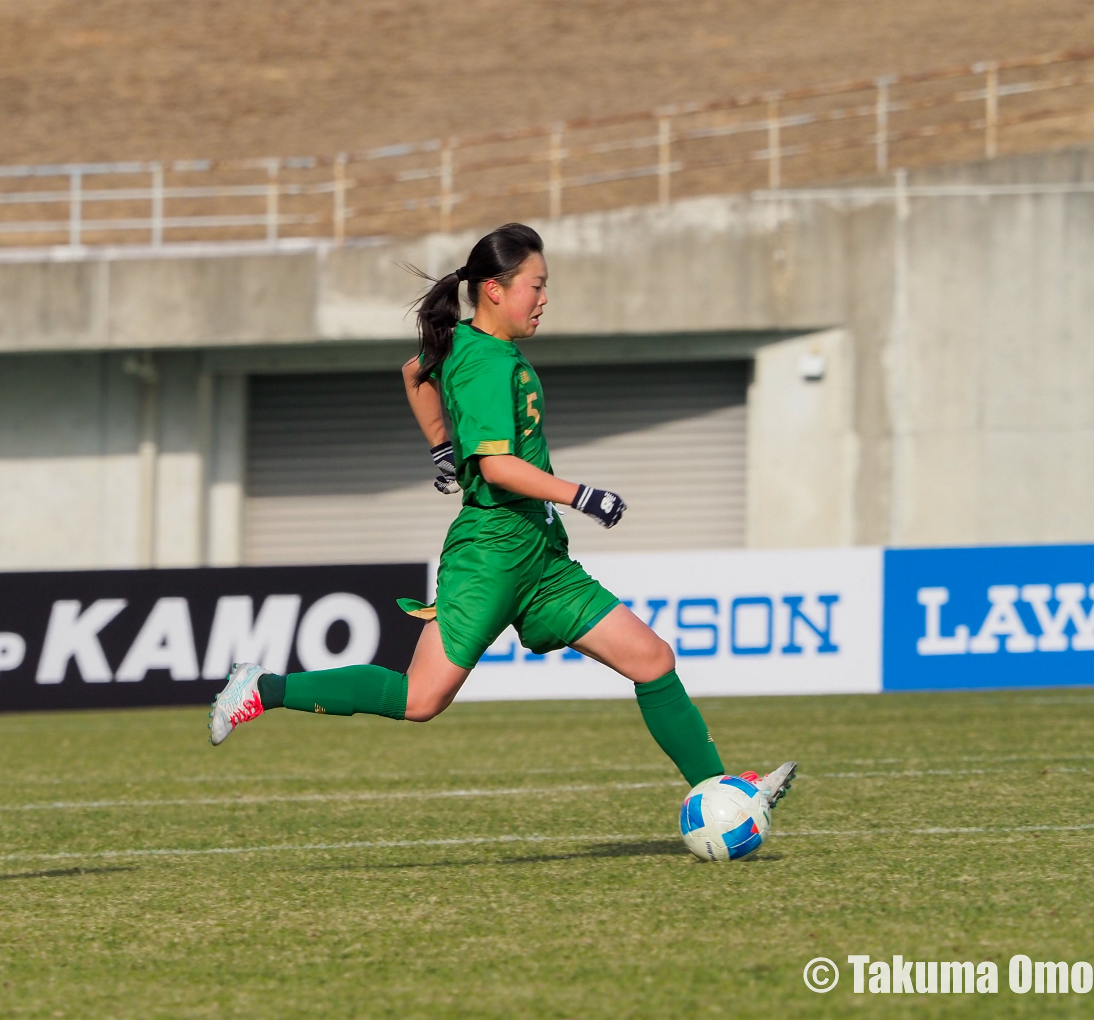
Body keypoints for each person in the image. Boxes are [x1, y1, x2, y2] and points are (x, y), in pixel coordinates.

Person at [208, 224, 794, 806]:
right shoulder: (486, 362)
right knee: (420, 699)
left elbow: (415, 372)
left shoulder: (465, 343)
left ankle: (724, 795)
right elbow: (496, 467)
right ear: (494, 289)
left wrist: (440, 446)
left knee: (651, 659)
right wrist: (582, 495)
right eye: (535, 286)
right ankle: (262, 688)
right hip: (491, 553)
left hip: (538, 555)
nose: (544, 299)